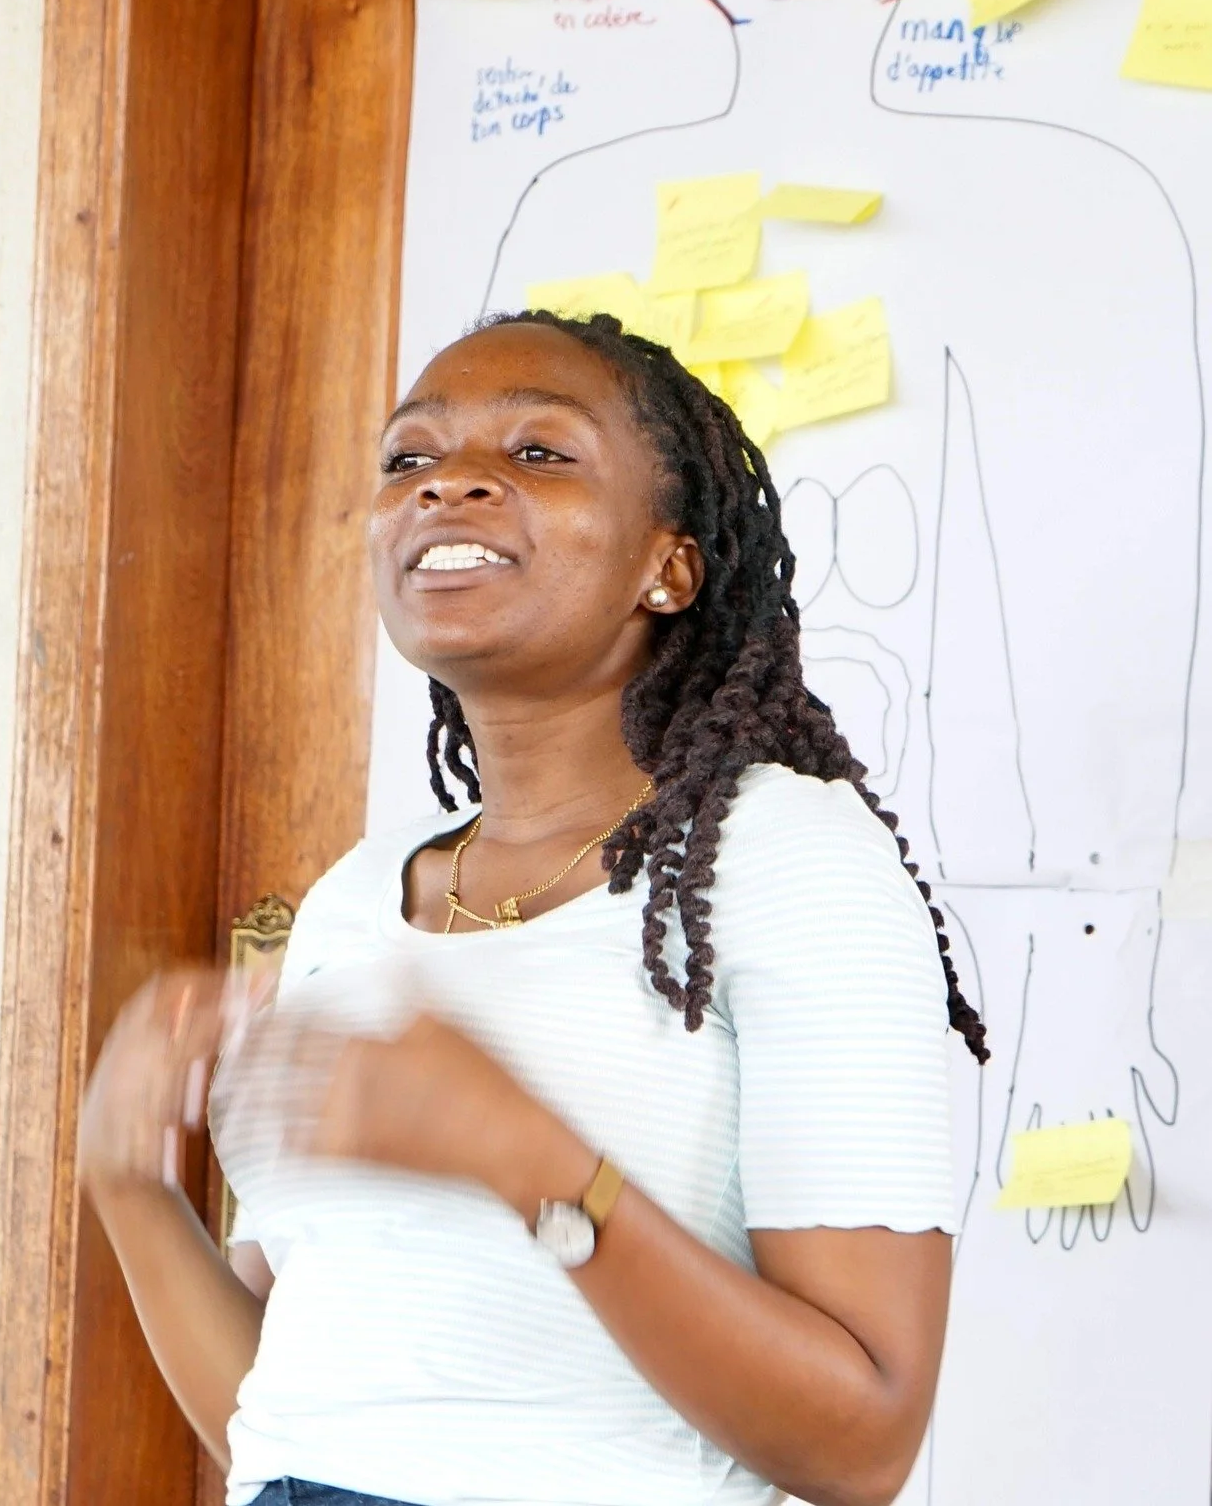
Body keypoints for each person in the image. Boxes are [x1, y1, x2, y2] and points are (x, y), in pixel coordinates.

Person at [78, 312, 985, 1506]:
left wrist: (527, 1158)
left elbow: (861, 1440)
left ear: (667, 565)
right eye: (408, 459)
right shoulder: (359, 896)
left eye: (538, 452)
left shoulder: (787, 858)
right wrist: (127, 1183)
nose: (447, 482)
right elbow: (290, 1413)